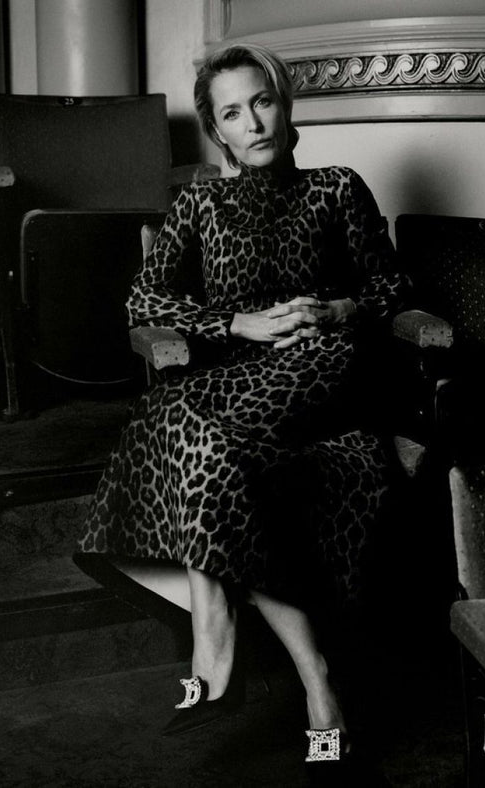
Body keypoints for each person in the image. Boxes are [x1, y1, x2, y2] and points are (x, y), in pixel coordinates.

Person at [74, 42, 408, 773]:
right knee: (213, 450)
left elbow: (390, 289)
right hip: (235, 380)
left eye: (262, 102)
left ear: (283, 106)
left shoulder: (336, 188)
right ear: (217, 131)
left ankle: (214, 634)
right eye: (232, 113)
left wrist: (336, 309)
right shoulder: (200, 204)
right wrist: (235, 323)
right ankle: (317, 680)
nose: (252, 122)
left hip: (322, 365)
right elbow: (144, 298)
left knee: (176, 417)